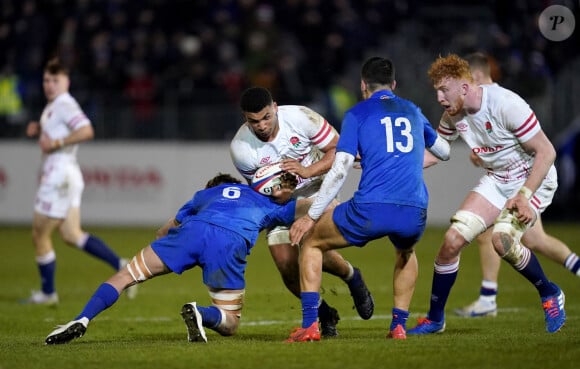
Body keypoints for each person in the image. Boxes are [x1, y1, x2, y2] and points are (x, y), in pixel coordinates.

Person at [287, 56, 451, 342]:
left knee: (311, 240)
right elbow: (444, 151)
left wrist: (312, 215)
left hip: (371, 208)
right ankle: (398, 326)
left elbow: (339, 170)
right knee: (406, 253)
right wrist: (399, 162)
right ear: (394, 85)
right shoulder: (412, 110)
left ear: (363, 85)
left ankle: (310, 325)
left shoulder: (358, 114)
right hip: (414, 210)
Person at [408, 54, 566, 335]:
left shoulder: (506, 104)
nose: (440, 98)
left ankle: (550, 292)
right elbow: (436, 152)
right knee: (451, 241)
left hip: (534, 179)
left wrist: (525, 195)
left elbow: (547, 151)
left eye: (445, 90)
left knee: (501, 241)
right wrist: (392, 166)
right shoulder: (452, 115)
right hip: (498, 179)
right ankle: (435, 319)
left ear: (465, 87)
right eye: (437, 92)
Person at [45, 171, 301, 344]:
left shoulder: (204, 196)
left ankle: (83, 318)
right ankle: (201, 313)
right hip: (230, 242)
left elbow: (164, 230)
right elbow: (303, 209)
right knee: (230, 323)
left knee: (125, 276)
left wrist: (163, 257)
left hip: (190, 232)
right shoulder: (263, 200)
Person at [230, 86, 375, 337]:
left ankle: (351, 276)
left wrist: (307, 171)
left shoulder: (300, 117)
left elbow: (339, 150)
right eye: (254, 121)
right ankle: (324, 311)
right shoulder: (241, 148)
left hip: (317, 188)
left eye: (266, 117)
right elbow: (261, 189)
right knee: (286, 264)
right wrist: (280, 192)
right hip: (281, 202)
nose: (262, 125)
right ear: (245, 118)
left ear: (275, 107)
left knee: (313, 244)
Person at [453, 52, 580, 318]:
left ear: (474, 77)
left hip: (525, 183)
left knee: (493, 234)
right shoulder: (479, 104)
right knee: (536, 239)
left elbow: (537, 147)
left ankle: (489, 298)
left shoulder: (501, 101)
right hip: (512, 183)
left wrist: (523, 191)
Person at [24, 57, 136, 305]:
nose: (49, 84)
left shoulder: (64, 104)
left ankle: (48, 293)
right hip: (67, 174)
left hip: (59, 178)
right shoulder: (53, 107)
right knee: (71, 234)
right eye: (46, 80)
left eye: (55, 80)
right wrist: (39, 129)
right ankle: (120, 264)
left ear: (67, 82)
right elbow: (58, 132)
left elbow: (86, 130)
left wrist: (55, 143)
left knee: (39, 235)